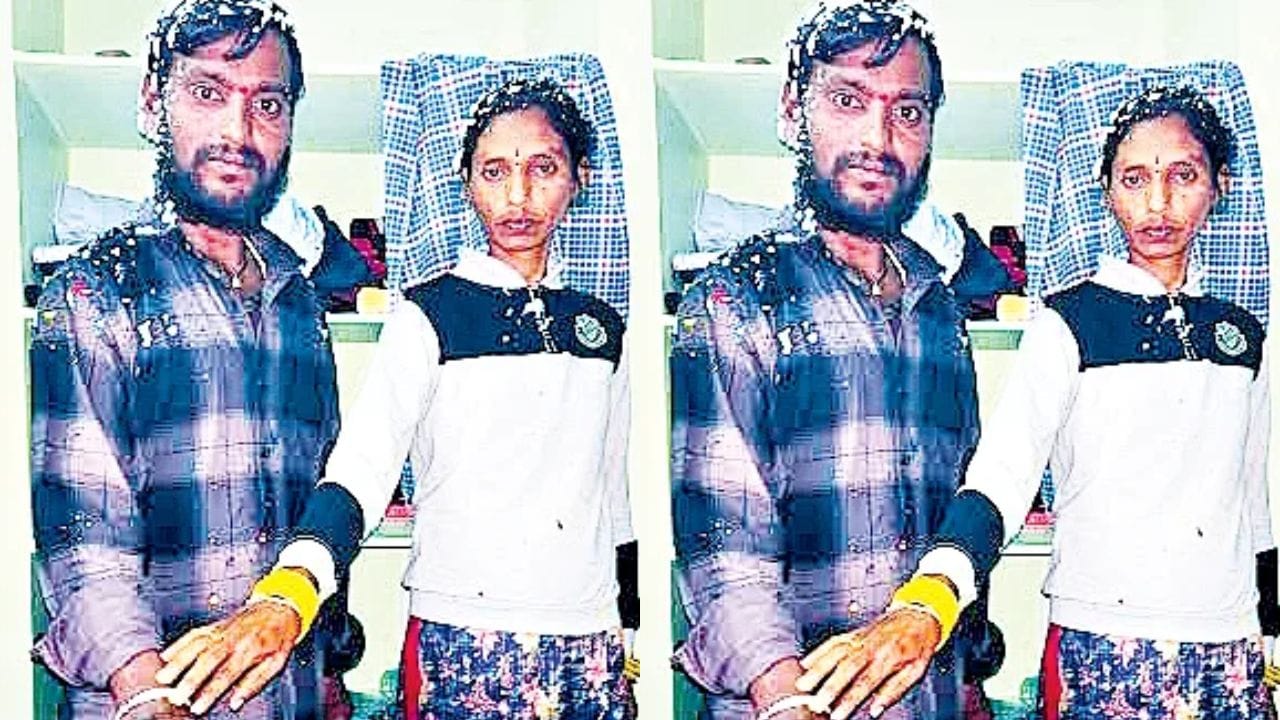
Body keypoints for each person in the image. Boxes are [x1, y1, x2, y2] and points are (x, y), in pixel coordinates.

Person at [152, 77, 640, 720]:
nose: (518, 195)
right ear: (468, 184)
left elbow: (613, 496)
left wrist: (629, 631)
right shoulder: (428, 315)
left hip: (591, 641)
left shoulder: (602, 328)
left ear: (578, 179)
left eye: (543, 169)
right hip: (463, 637)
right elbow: (361, 468)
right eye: (495, 171)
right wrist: (290, 592)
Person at [797, 85, 1278, 719]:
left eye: (1183, 176)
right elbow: (1001, 476)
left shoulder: (1242, 336)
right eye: (1135, 178)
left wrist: (1270, 632)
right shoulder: (1068, 323)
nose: (1158, 202)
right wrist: (930, 600)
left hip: (1231, 645)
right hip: (1104, 642)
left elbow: (1254, 501)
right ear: (1107, 191)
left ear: (1218, 186)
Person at [28, 1, 363, 719]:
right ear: (156, 102)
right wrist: (151, 695)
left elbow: (317, 503)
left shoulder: (300, 303)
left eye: (267, 104)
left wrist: (330, 668)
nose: (238, 132)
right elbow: (85, 545)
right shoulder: (94, 291)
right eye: (209, 92)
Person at [669, 2, 1004, 718]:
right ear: (795, 111)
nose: (879, 139)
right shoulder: (737, 298)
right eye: (848, 100)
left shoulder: (940, 310)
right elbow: (724, 544)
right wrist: (788, 700)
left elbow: (957, 510)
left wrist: (970, 679)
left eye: (907, 111)